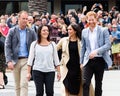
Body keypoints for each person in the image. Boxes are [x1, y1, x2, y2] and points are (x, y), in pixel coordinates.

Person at [5, 10, 37, 96]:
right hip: (15, 61)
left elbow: (35, 46)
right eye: (23, 18)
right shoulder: (12, 31)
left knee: (24, 84)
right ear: (18, 19)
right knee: (17, 85)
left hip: (26, 61)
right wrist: (9, 60)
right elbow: (7, 46)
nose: (25, 20)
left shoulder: (31, 32)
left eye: (26, 19)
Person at [80, 11, 112, 96]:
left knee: (98, 84)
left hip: (100, 60)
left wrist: (96, 51)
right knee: (85, 83)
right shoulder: (84, 32)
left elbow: (108, 45)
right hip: (88, 60)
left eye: (93, 19)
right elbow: (83, 47)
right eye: (89, 20)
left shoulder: (103, 30)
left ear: (96, 19)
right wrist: (81, 62)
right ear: (87, 20)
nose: (91, 22)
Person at [57, 23, 94, 96]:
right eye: (68, 29)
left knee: (79, 86)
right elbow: (55, 49)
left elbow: (88, 52)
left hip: (78, 67)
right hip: (66, 67)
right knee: (66, 86)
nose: (68, 31)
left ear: (75, 31)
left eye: (70, 29)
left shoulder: (81, 41)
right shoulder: (63, 40)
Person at [27, 25, 61, 96]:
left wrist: (59, 72)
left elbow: (56, 59)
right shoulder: (34, 44)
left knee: (50, 92)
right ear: (39, 32)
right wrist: (28, 73)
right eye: (44, 30)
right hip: (37, 71)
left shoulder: (52, 44)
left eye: (47, 30)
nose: (46, 32)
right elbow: (30, 60)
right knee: (39, 93)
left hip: (50, 71)